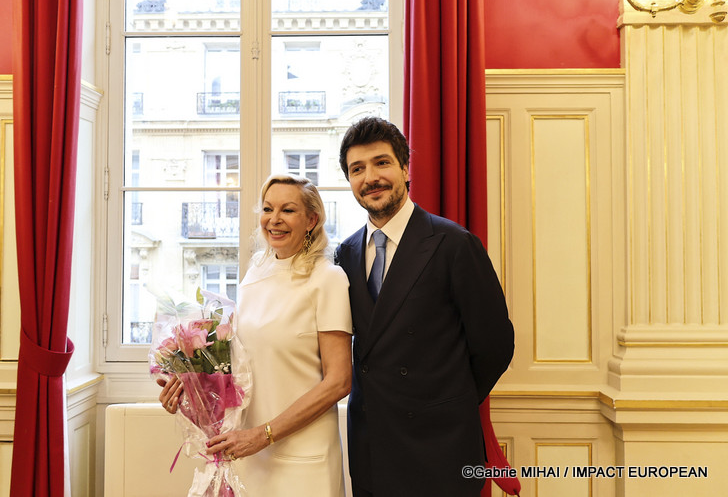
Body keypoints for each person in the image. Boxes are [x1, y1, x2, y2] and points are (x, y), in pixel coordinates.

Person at [334, 116, 515, 497]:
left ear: (404, 167)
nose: (371, 178)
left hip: (441, 447)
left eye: (381, 163)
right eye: (357, 168)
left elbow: (495, 345)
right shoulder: (345, 254)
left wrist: (444, 401)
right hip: (371, 446)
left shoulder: (454, 244)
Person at [158, 174, 353, 497]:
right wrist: (188, 388)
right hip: (249, 453)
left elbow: (338, 381)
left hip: (304, 459)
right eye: (267, 208)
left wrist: (264, 435)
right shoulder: (254, 274)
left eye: (288, 210)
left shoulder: (328, 279)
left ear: (312, 220)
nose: (274, 220)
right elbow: (240, 366)